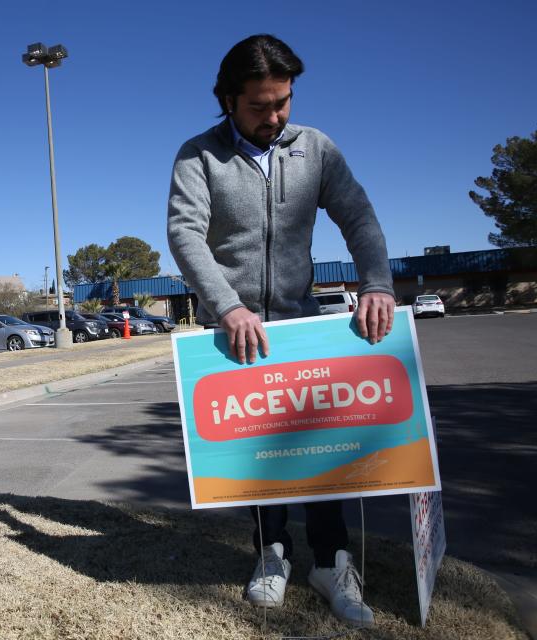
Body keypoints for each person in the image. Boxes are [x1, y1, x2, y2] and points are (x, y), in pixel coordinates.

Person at [166, 34, 395, 627]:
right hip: (236, 333)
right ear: (227, 99)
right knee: (259, 458)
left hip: (300, 329)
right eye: (259, 106)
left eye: (283, 103)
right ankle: (272, 556)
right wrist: (227, 307)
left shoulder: (314, 149)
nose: (274, 117)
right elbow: (186, 234)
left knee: (321, 453)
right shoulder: (199, 155)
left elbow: (358, 216)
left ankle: (332, 562)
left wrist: (376, 283)